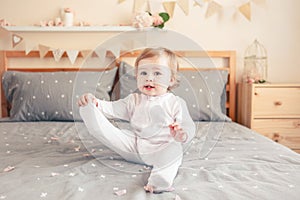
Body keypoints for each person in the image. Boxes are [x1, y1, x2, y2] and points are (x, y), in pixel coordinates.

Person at [78, 47, 195, 193]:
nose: (149, 78)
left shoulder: (175, 103)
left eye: (157, 73)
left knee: (175, 151)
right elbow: (111, 109)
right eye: (143, 73)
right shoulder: (133, 100)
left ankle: (160, 180)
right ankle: (90, 112)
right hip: (134, 147)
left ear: (171, 80)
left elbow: (188, 126)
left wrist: (182, 134)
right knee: (119, 132)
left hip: (161, 149)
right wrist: (95, 103)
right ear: (137, 76)